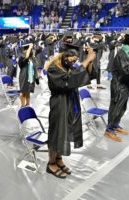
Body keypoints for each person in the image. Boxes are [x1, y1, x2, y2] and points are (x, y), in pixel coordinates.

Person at [45, 43, 96, 179]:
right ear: (63, 55)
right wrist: (85, 61)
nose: (75, 60)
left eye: (76, 58)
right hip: (59, 104)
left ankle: (59, 159)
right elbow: (69, 80)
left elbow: (85, 76)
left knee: (65, 131)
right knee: (56, 134)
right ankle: (51, 163)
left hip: (70, 103)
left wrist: (89, 61)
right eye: (73, 57)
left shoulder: (69, 67)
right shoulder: (53, 69)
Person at [104, 30, 129, 142]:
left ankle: (115, 125)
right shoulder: (122, 53)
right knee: (116, 107)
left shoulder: (128, 53)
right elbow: (127, 71)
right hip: (119, 85)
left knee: (122, 107)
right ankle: (109, 130)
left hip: (126, 84)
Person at [18, 43, 38, 107]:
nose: (30, 51)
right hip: (24, 77)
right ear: (24, 51)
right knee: (23, 92)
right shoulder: (21, 58)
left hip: (31, 78)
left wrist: (36, 78)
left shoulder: (32, 58)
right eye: (29, 50)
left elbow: (35, 68)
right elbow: (26, 58)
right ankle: (23, 106)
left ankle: (28, 105)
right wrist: (29, 47)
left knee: (28, 92)